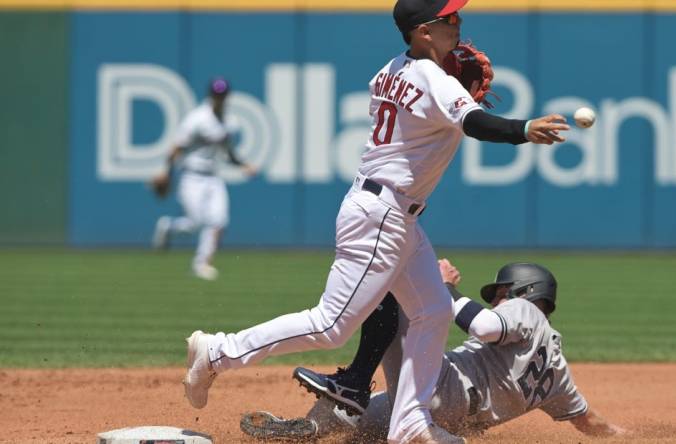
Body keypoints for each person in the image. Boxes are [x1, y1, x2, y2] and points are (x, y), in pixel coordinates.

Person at [182, 0, 570, 441]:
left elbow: (418, 117)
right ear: (424, 32)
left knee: (433, 310)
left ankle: (409, 423)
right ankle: (217, 352)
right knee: (331, 324)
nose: (459, 24)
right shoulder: (430, 77)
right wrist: (523, 128)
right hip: (382, 215)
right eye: (450, 19)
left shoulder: (392, 69)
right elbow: (476, 123)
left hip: (391, 213)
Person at [248, 259, 626, 442]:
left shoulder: (525, 311)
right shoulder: (558, 374)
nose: (496, 300)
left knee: (394, 282)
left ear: (525, 292)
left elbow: (484, 326)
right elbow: (589, 422)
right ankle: (313, 427)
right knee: (365, 426)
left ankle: (353, 383)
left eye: (499, 294)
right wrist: (629, 436)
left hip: (443, 386)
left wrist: (441, 287)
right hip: (449, 416)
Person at [150, 77, 256, 281]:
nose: (220, 99)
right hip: (192, 176)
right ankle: (168, 226)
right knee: (195, 223)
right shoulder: (197, 119)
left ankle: (202, 263)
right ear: (210, 96)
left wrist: (244, 165)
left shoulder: (228, 122)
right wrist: (166, 171)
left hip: (213, 177)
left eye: (223, 95)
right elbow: (177, 147)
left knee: (219, 220)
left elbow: (228, 152)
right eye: (217, 95)